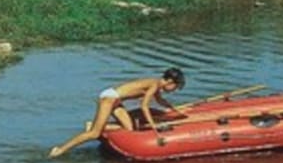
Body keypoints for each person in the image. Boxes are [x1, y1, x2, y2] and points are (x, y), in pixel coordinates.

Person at [48, 67, 185, 158]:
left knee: (129, 128)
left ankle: (100, 126)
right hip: (110, 98)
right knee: (94, 134)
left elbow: (160, 101)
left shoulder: (155, 84)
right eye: (175, 87)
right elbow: (144, 106)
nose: (174, 90)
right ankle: (60, 150)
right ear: (169, 82)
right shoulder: (154, 85)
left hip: (116, 100)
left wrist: (175, 110)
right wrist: (154, 126)